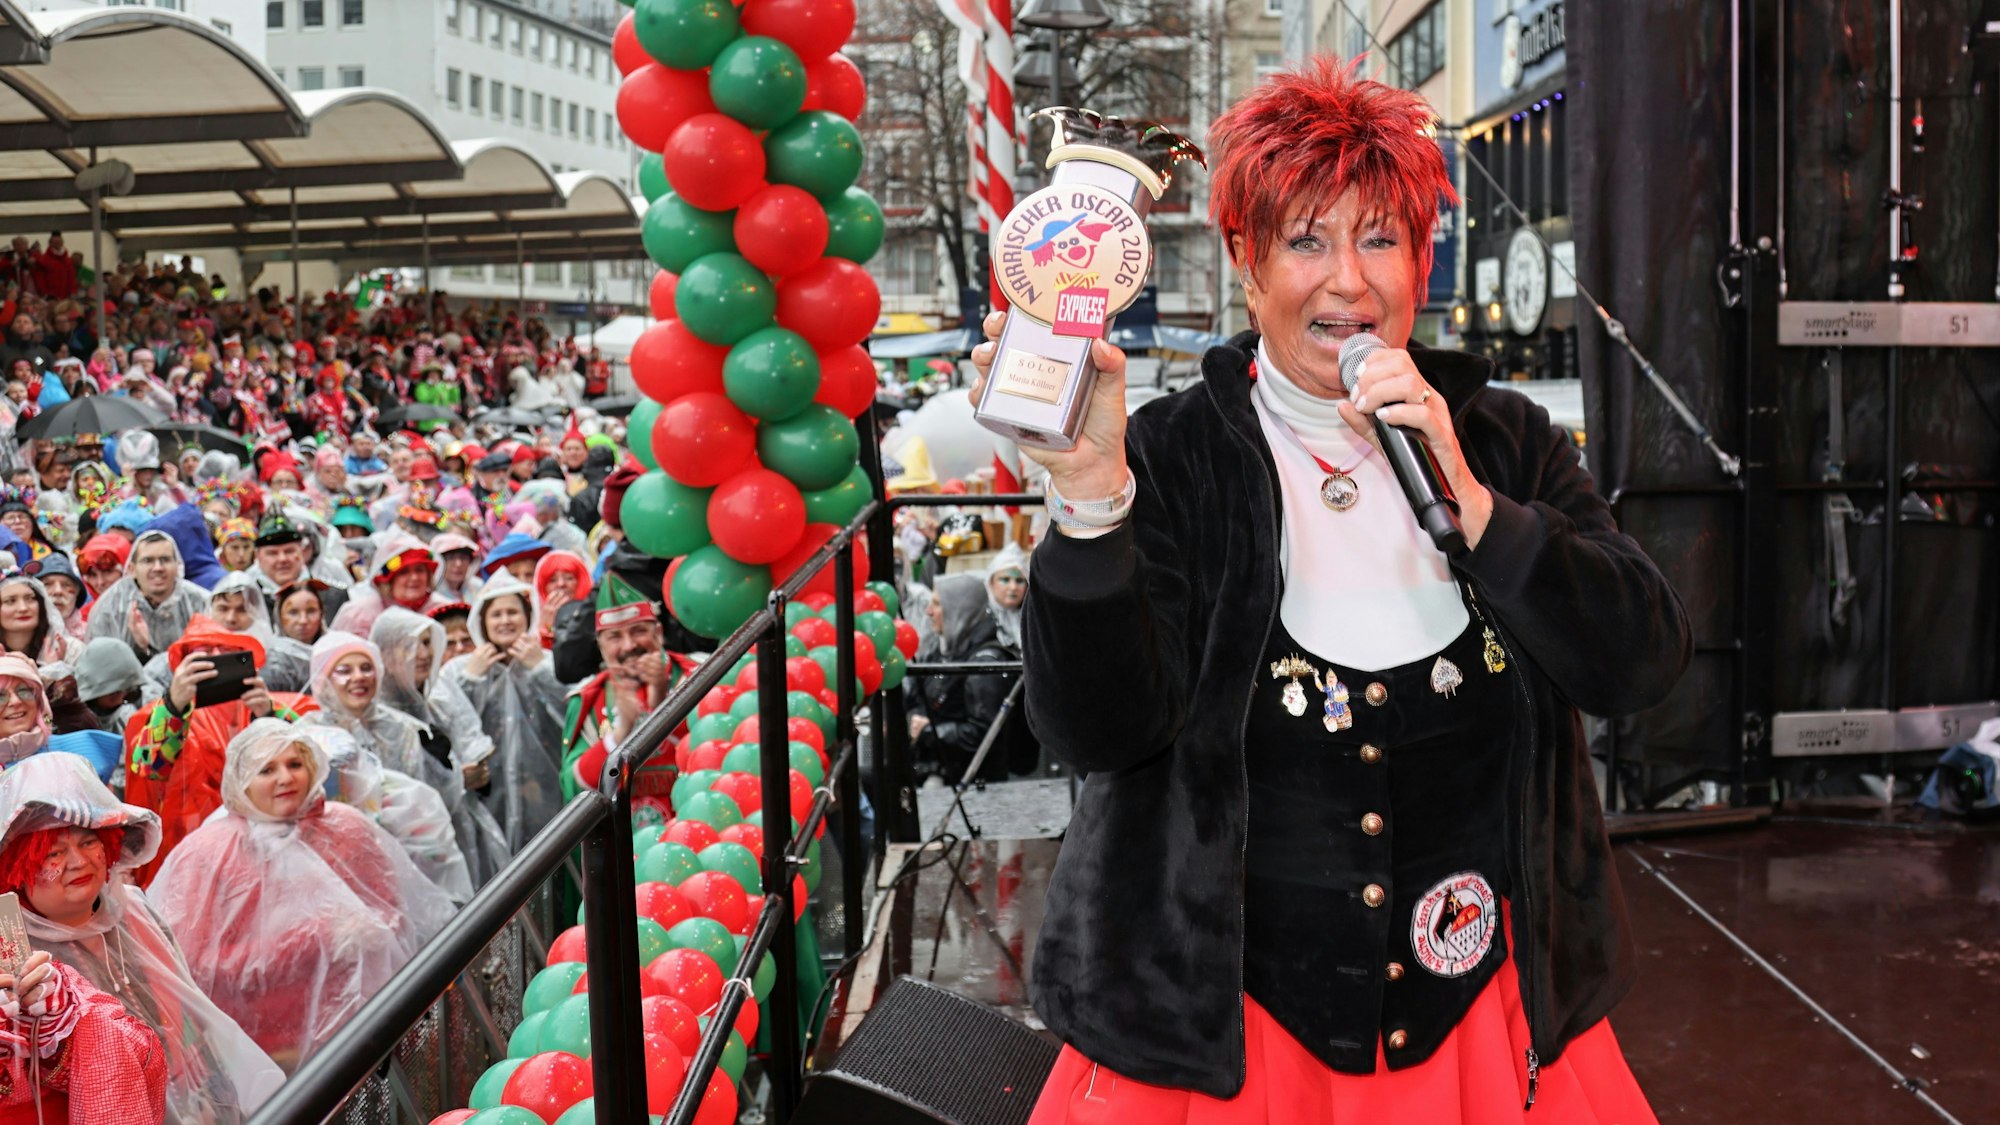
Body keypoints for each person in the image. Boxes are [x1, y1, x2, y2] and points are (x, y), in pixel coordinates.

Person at [989, 63, 1687, 1124]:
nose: (1348, 283)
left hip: (1483, 1035)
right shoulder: (1169, 455)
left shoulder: (1500, 437)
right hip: (1228, 1042)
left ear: (1420, 257)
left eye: (1380, 238)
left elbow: (1636, 661)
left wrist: (1475, 504)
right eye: (1306, 239)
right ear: (1244, 261)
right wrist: (1090, 504)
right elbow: (1094, 730)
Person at [148, 720, 454, 1072]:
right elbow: (191, 965)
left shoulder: (347, 827)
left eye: (295, 764)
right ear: (240, 780)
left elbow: (394, 914)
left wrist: (367, 930)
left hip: (359, 1038)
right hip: (256, 1055)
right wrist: (312, 940)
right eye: (266, 769)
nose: (285, 778)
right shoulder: (206, 854)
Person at [0, 754, 286, 1122]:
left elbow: (187, 1012)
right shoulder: (15, 956)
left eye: (89, 842)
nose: (77, 861)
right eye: (53, 852)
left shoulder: (133, 908)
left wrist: (208, 1092)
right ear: (16, 869)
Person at [298, 632, 480, 900]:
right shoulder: (306, 735)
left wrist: (440, 766)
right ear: (323, 681)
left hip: (407, 861)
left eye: (367, 668)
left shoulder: (404, 729)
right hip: (336, 867)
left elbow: (432, 805)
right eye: (344, 670)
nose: (358, 677)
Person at [123, 614, 302, 885]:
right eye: (203, 655)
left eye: (226, 653)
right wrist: (174, 706)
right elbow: (147, 768)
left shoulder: (268, 707)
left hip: (267, 853)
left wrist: (266, 716)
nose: (215, 659)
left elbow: (305, 762)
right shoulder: (154, 716)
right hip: (188, 857)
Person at [369, 608, 511, 879]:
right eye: (409, 645)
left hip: (466, 832)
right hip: (414, 856)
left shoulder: (440, 694)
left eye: (426, 643)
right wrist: (458, 779)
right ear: (385, 655)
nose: (423, 654)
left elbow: (474, 742)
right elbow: (395, 794)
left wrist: (476, 771)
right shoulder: (377, 718)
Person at [439, 574, 568, 844]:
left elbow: (572, 711)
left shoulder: (550, 662)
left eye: (513, 612)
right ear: (482, 622)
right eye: (496, 614)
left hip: (546, 791)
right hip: (485, 796)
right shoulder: (459, 669)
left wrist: (541, 671)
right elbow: (447, 723)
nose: (505, 620)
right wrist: (470, 680)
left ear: (527, 617)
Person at [558, 575, 687, 816]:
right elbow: (573, 788)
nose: (628, 646)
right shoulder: (587, 701)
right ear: (601, 646)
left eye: (638, 631)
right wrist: (618, 736)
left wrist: (661, 705)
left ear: (658, 633)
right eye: (615, 637)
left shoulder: (697, 675)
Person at [904, 574, 1033, 784]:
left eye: (937, 604)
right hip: (936, 767)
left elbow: (985, 735)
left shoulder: (985, 663)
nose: (929, 611)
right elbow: (918, 698)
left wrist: (930, 731)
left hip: (970, 783)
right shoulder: (943, 649)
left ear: (958, 610)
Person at [84, 529, 210, 663]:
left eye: (165, 560)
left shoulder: (199, 601)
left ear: (178, 565)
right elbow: (99, 665)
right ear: (132, 569)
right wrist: (141, 647)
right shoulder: (111, 606)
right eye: (148, 561)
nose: (157, 568)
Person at [209, 571, 311, 694]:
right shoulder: (194, 652)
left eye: (242, 610)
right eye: (223, 609)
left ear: (256, 612)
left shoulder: (279, 660)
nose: (231, 618)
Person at [532, 549, 592, 649]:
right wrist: (546, 631)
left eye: (569, 578)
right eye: (552, 580)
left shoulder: (593, 616)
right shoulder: (532, 625)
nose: (561, 584)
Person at [274, 580, 328, 648]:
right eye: (293, 612)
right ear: (279, 616)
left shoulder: (337, 651)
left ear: (321, 614)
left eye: (311, 611)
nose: (303, 621)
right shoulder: (267, 655)